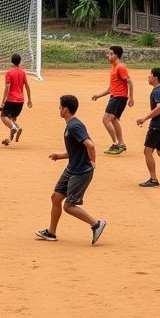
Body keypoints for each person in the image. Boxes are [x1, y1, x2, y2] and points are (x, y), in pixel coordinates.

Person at [35, 95, 106, 244]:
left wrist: (92, 162)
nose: (59, 109)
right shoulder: (71, 125)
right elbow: (76, 150)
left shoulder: (74, 126)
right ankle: (51, 232)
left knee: (69, 206)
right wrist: (59, 156)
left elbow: (90, 145)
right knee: (56, 197)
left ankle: (96, 224)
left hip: (80, 172)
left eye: (60, 107)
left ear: (66, 109)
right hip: (71, 169)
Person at [91, 45, 134, 154]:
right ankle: (121, 143)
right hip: (116, 97)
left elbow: (130, 82)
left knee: (106, 120)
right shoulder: (114, 68)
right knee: (113, 120)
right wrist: (98, 95)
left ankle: (116, 144)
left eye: (110, 54)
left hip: (119, 98)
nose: (108, 56)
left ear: (116, 55)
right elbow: (111, 88)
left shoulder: (120, 67)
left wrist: (131, 98)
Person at [0, 53, 33, 145]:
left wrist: (2, 102)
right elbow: (27, 86)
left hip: (11, 99)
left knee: (3, 116)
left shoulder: (9, 73)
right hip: (20, 101)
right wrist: (29, 100)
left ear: (11, 61)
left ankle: (16, 127)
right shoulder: (23, 72)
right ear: (20, 62)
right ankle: (10, 139)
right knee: (12, 119)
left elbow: (7, 87)